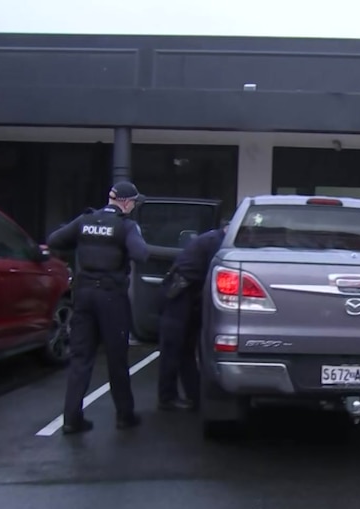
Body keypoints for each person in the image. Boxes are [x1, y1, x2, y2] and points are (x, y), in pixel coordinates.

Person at [47, 181, 149, 435]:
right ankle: (125, 415)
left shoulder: (84, 221)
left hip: (83, 295)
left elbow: (55, 240)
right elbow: (142, 254)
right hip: (111, 298)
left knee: (81, 357)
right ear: (125, 202)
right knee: (117, 359)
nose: (134, 206)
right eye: (134, 202)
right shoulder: (126, 226)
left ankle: (71, 419)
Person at [156, 220, 229, 412]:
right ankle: (167, 397)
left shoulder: (212, 239)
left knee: (185, 349)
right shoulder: (217, 242)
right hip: (179, 295)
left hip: (186, 295)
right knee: (173, 349)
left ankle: (194, 396)